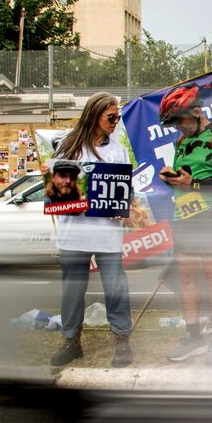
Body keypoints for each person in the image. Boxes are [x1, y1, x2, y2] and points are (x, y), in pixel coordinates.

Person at [158, 85, 212, 365]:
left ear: (196, 112)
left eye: (180, 121)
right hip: (185, 217)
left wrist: (191, 183)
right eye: (174, 125)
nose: (179, 128)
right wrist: (171, 179)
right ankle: (194, 336)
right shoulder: (182, 142)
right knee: (186, 277)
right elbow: (185, 178)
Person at [49, 93, 133, 368]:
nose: (115, 121)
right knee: (72, 290)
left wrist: (127, 205)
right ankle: (71, 341)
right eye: (111, 117)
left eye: (117, 116)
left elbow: (125, 190)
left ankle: (121, 340)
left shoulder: (117, 149)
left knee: (116, 288)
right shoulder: (68, 148)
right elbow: (55, 191)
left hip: (108, 232)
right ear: (93, 115)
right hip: (74, 232)